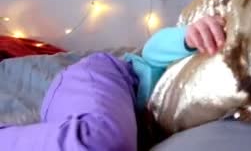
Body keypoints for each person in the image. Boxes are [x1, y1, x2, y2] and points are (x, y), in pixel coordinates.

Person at [0, 16, 225, 151]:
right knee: (100, 141)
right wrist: (188, 37)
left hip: (79, 118)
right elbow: (152, 51)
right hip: (112, 77)